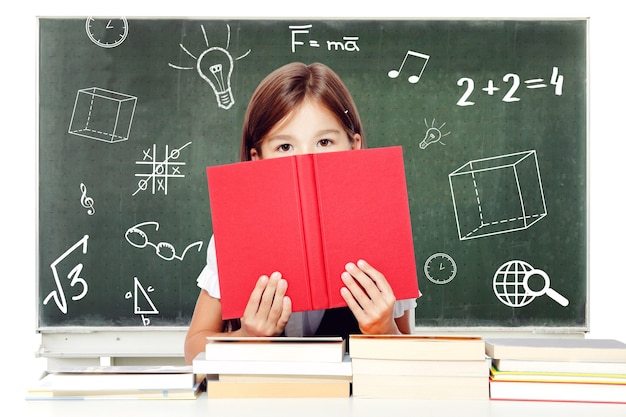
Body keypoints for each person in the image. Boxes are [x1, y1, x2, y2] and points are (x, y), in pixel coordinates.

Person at [184, 62, 417, 364]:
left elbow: (410, 353)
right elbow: (193, 348)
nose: (305, 159)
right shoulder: (234, 240)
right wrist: (247, 336)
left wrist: (383, 329)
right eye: (284, 146)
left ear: (353, 146)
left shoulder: (385, 234)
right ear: (258, 158)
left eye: (324, 142)